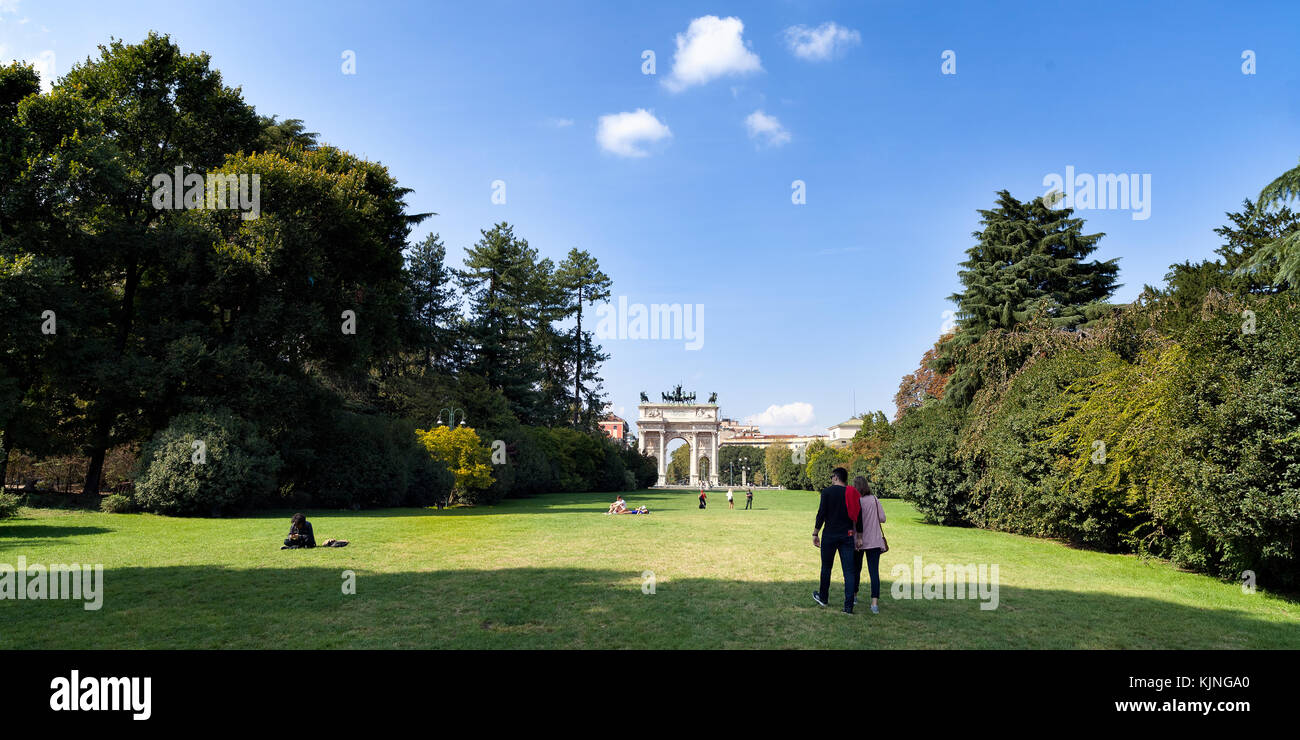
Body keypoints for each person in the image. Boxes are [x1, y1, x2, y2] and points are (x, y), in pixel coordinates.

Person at [812, 467, 860, 613]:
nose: (831, 479)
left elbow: (822, 513)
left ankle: (824, 597)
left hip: (830, 535)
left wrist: (815, 533)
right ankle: (848, 606)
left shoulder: (827, 492)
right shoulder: (852, 493)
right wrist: (860, 536)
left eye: (832, 477)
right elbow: (859, 515)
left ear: (836, 477)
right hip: (847, 535)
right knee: (849, 572)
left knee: (826, 567)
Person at [851, 475, 887, 614]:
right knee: (874, 572)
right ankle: (874, 604)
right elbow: (883, 518)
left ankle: (854, 596)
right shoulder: (874, 499)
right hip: (874, 540)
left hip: (858, 541)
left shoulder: (856, 500)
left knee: (856, 570)